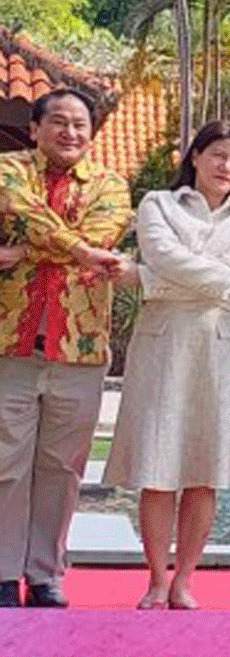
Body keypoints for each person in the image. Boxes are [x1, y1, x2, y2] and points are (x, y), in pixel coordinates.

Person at [102, 121, 230, 610]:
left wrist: (148, 278)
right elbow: (170, 257)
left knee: (205, 465)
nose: (226, 167)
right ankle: (156, 578)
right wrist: (218, 279)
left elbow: (193, 268)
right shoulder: (157, 202)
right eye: (217, 155)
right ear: (195, 156)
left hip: (219, 347)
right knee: (158, 464)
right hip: (162, 343)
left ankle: (185, 580)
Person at [0, 88, 131, 608]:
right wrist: (80, 250)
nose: (70, 132)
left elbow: (106, 228)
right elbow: (22, 209)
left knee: (63, 466)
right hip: (10, 341)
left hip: (78, 345)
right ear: (35, 128)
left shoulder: (110, 185)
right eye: (58, 122)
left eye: (80, 124)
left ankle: (46, 571)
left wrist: (17, 252)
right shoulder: (9, 169)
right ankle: (4, 573)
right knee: (6, 463)